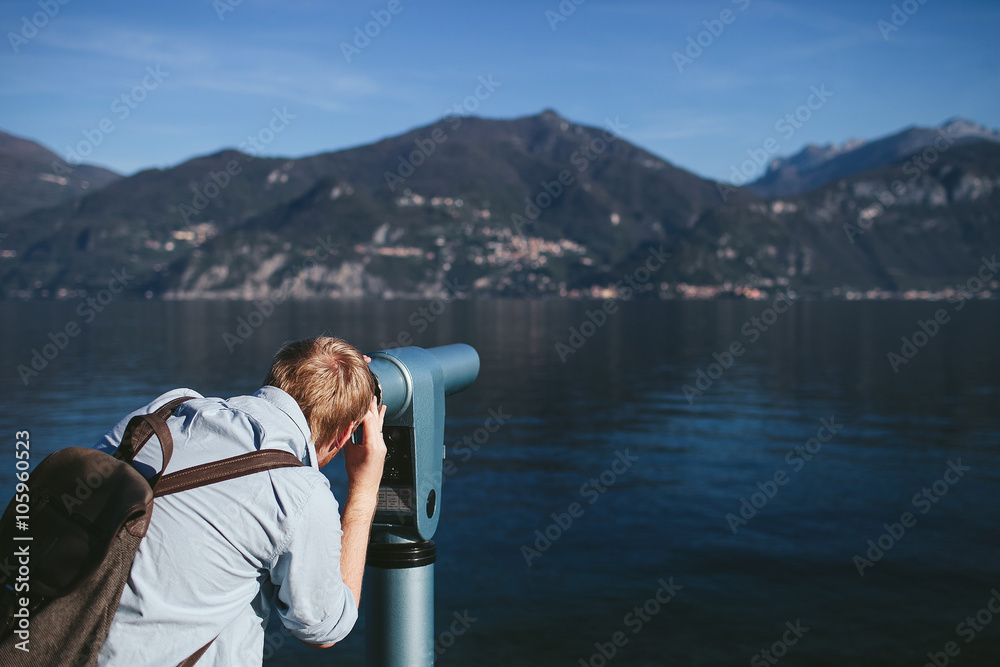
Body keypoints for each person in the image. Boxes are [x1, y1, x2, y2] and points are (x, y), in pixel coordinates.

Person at [95, 337, 387, 666]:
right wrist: (363, 492)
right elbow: (325, 627)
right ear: (346, 435)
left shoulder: (165, 411)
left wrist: (334, 365)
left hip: (58, 640)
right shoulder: (299, 492)